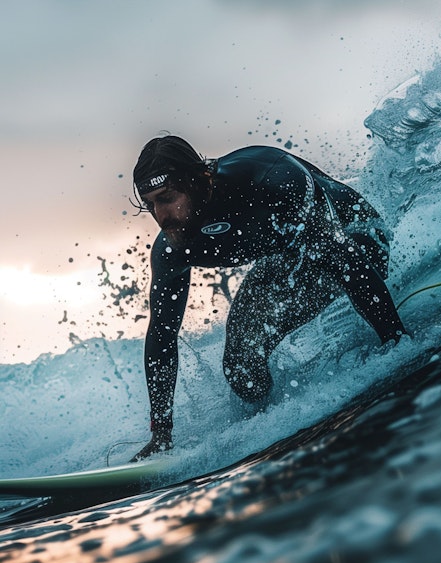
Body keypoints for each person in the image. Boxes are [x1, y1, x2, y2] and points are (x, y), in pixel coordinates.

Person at [130, 135, 406, 460]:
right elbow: (162, 336)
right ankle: (286, 443)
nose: (161, 216)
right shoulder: (173, 248)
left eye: (167, 197)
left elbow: (342, 255)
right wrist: (162, 434)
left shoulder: (268, 181)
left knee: (338, 252)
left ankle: (392, 337)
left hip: (355, 235)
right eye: (150, 205)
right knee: (240, 368)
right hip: (290, 257)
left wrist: (398, 346)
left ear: (195, 180)